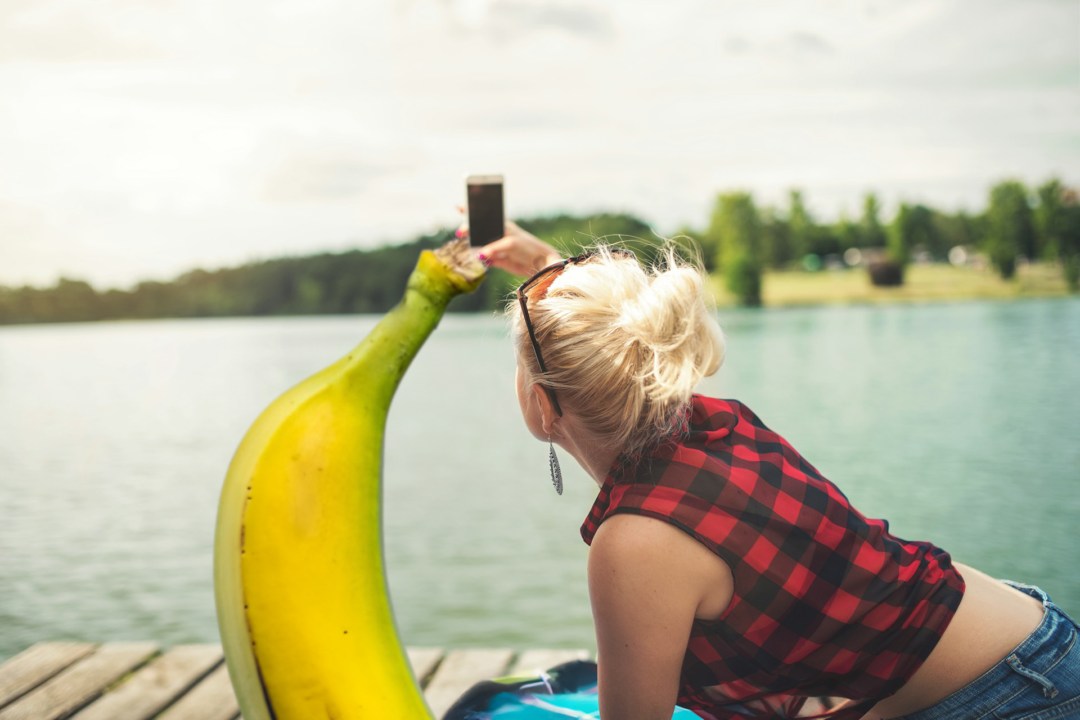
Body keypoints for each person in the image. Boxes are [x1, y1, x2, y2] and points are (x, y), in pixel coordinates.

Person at [455, 211, 1080, 720]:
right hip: (1031, 646)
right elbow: (621, 346)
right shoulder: (713, 422)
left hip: (1012, 697)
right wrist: (546, 269)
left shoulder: (634, 543)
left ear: (541, 404)